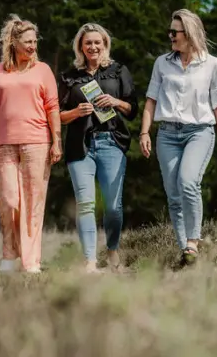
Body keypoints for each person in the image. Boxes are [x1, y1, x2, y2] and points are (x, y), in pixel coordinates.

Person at [139, 9, 217, 268]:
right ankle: (187, 253)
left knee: (188, 182)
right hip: (167, 134)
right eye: (170, 31)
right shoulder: (162, 63)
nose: (170, 36)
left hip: (199, 132)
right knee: (173, 195)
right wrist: (145, 132)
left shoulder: (213, 65)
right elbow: (151, 100)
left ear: (190, 34)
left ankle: (193, 241)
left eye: (175, 32)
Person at [0, 16, 62, 274]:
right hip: (4, 145)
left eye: (35, 41)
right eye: (28, 42)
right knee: (9, 201)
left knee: (34, 203)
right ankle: (9, 254)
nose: (33, 46)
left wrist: (56, 141)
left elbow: (53, 107)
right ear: (13, 43)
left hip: (37, 143)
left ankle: (31, 261)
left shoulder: (43, 70)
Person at [58, 23, 138, 273]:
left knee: (113, 206)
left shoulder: (118, 71)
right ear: (80, 47)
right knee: (85, 204)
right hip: (80, 146)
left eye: (97, 42)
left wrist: (116, 101)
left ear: (105, 44)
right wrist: (75, 112)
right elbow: (57, 115)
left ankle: (112, 250)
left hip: (111, 142)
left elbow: (133, 109)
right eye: (88, 43)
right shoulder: (69, 76)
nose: (93, 47)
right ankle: (90, 261)